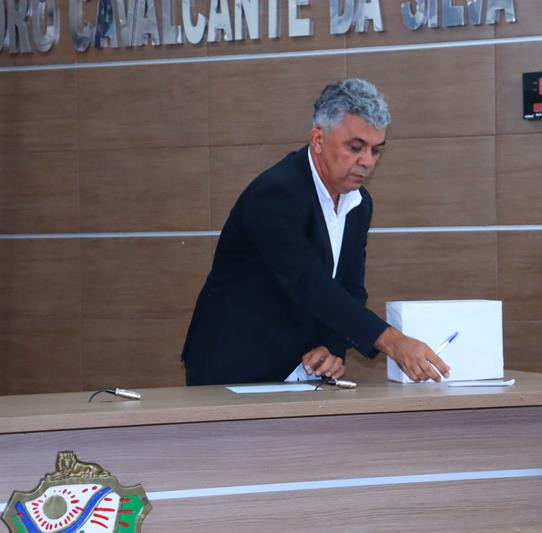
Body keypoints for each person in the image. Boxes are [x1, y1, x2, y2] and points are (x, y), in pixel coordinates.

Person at [181, 79, 449, 385]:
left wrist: (331, 347)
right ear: (318, 140)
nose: (367, 161)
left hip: (301, 370)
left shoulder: (359, 203)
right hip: (235, 365)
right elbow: (308, 283)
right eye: (356, 147)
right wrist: (393, 342)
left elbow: (349, 288)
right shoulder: (276, 193)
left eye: (376, 150)